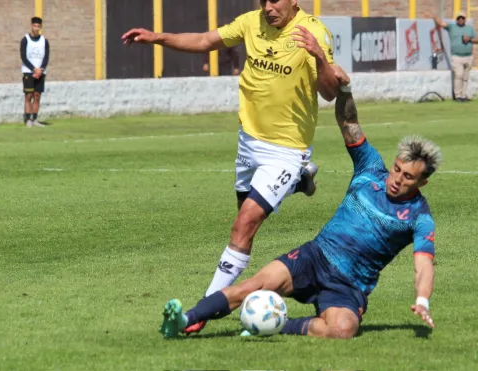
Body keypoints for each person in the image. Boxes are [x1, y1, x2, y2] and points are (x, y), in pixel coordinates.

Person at [123, 0, 340, 334]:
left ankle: (202, 310)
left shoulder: (313, 32)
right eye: (263, 1)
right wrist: (157, 37)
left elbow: (330, 92)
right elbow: (206, 40)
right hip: (248, 143)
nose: (268, 8)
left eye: (275, 1)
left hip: (286, 149)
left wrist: (319, 57)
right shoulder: (250, 23)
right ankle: (300, 181)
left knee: (244, 226)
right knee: (244, 220)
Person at [159, 66, 441, 339]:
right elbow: (350, 124)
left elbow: (424, 265)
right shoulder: (370, 169)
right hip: (314, 257)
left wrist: (423, 300)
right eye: (396, 169)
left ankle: (277, 325)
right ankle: (186, 319)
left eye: (408, 177)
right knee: (253, 286)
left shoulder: (419, 216)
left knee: (343, 329)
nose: (397, 179)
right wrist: (345, 89)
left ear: (422, 182)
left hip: (349, 285)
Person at [430, 11, 478, 101]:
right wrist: (435, 16)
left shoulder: (469, 28)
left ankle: (464, 95)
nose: (461, 20)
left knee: (465, 77)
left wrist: (469, 38)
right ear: (456, 19)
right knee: (459, 75)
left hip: (468, 56)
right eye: (459, 18)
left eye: (462, 18)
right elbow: (441, 23)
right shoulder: (452, 27)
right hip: (456, 56)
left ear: (465, 19)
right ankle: (458, 96)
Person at [21, 16, 50, 127]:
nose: (36, 28)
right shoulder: (25, 40)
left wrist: (40, 70)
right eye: (35, 26)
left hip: (40, 72)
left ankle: (35, 119)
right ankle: (28, 119)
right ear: (31, 26)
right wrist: (34, 69)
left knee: (37, 96)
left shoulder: (44, 41)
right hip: (29, 71)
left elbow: (46, 57)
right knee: (29, 95)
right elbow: (23, 56)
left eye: (38, 26)